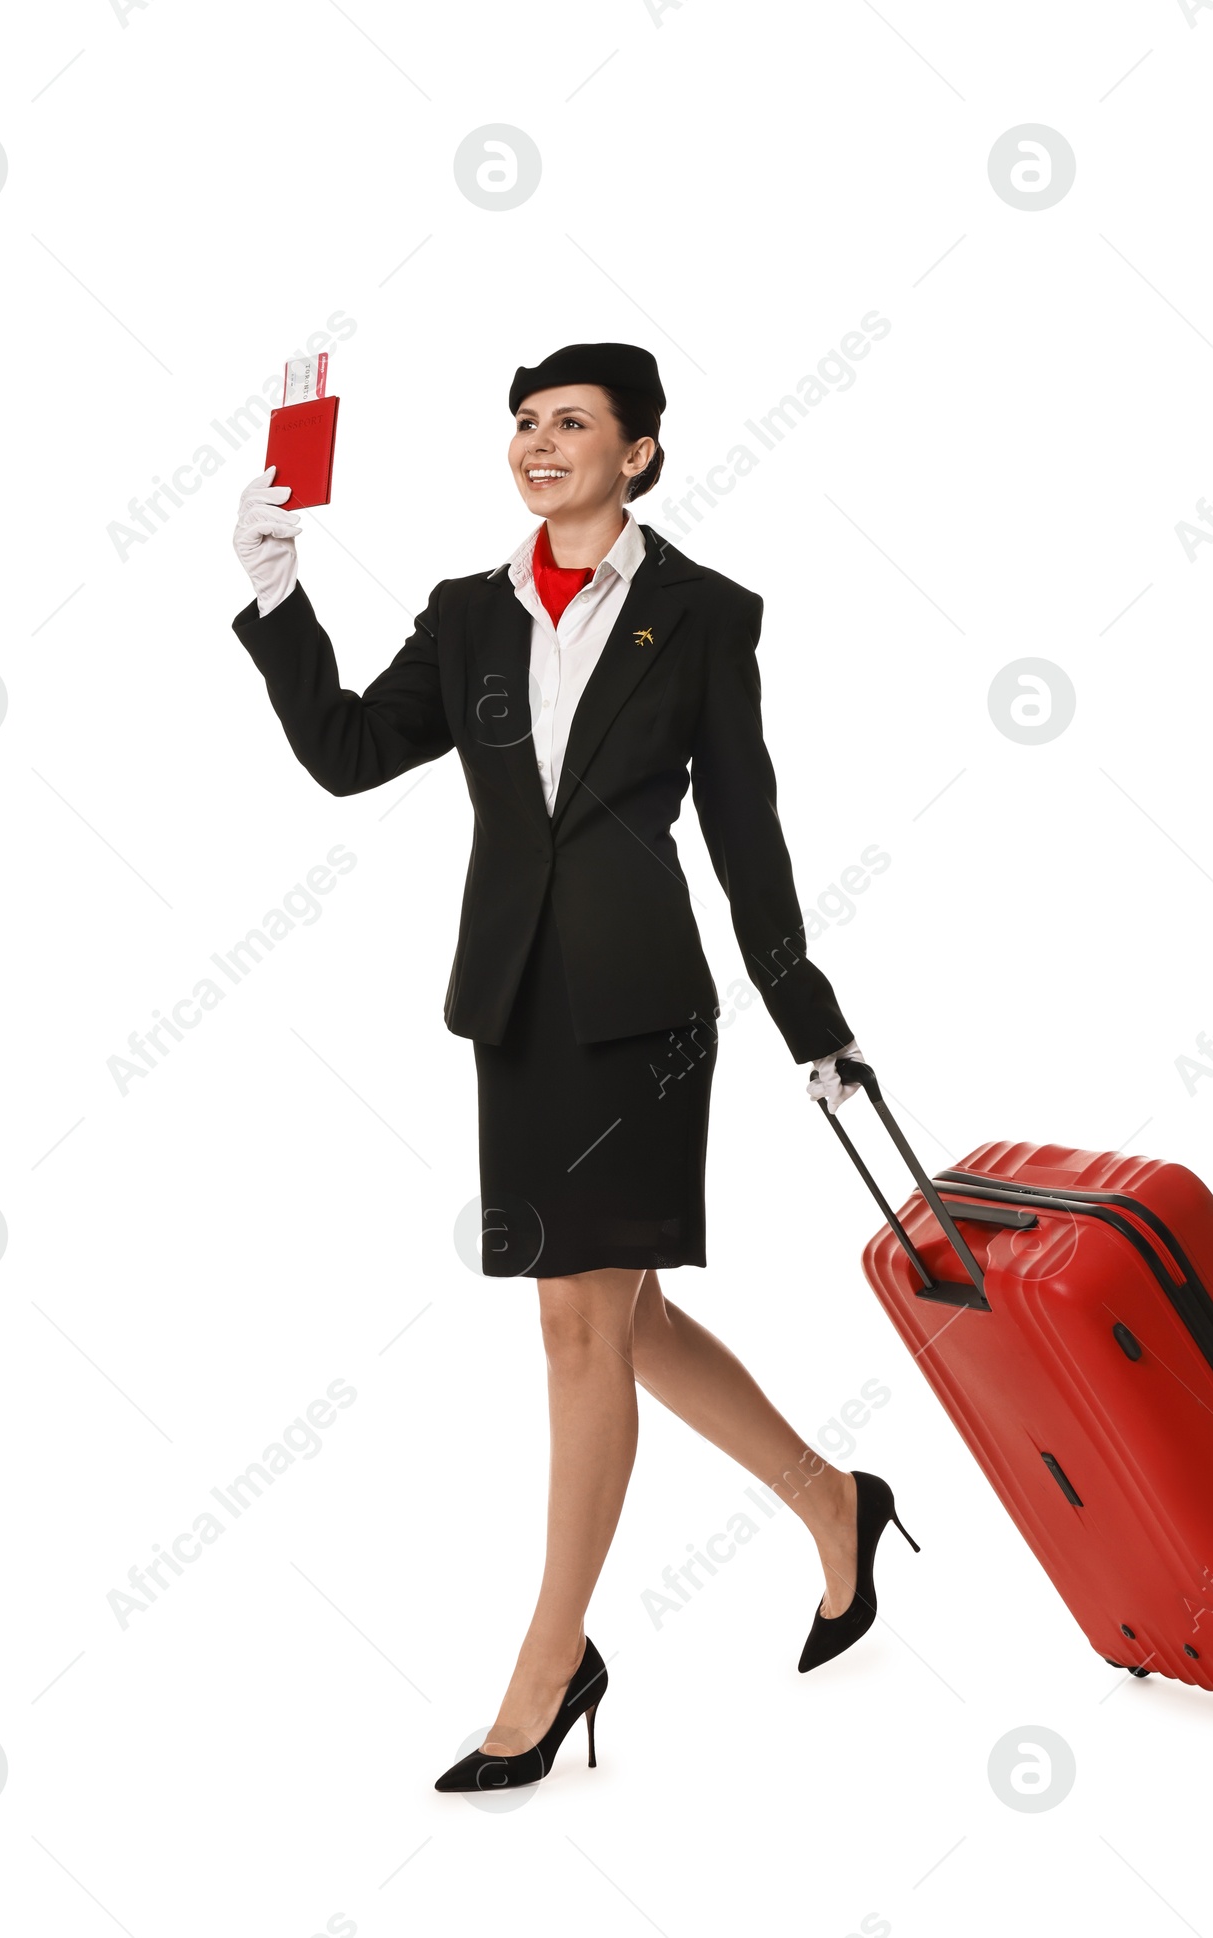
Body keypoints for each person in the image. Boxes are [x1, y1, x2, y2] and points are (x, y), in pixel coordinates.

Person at [229, 341, 919, 1793]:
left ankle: (550, 1667)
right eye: (524, 421)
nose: (538, 442)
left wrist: (813, 1020)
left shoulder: (703, 615)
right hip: (521, 1009)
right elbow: (351, 753)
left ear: (641, 452)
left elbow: (747, 839)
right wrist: (283, 597)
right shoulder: (471, 615)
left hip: (645, 1015)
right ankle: (834, 1500)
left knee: (578, 1328)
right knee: (629, 1316)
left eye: (573, 423)